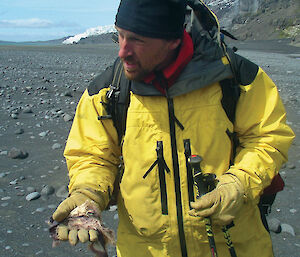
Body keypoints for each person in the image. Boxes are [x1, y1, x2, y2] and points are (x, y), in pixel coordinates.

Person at [52, 0, 295, 256]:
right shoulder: (106, 92)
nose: (123, 52)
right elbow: (92, 156)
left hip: (233, 245)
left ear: (173, 40)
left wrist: (239, 183)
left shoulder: (236, 78)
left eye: (137, 40)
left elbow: (267, 137)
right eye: (120, 36)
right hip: (145, 249)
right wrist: (88, 192)